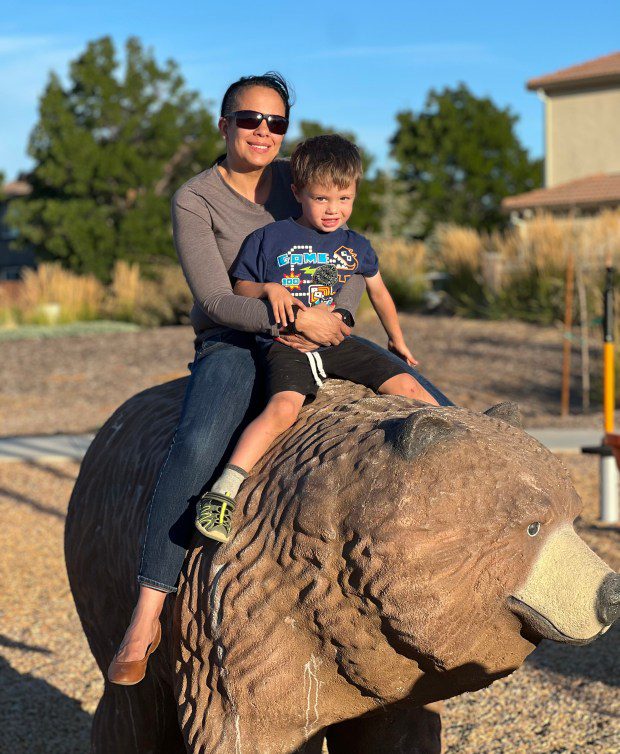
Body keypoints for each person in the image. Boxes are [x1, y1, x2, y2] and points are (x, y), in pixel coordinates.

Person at [108, 72, 452, 686]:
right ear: (224, 123)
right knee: (195, 442)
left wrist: (344, 318)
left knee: (433, 404)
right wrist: (288, 316)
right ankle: (148, 609)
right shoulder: (195, 198)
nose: (263, 132)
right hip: (237, 335)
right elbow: (215, 298)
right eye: (249, 120)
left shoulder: (303, 177)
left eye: (276, 123)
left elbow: (344, 249)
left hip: (324, 326)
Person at [195, 134, 438, 543]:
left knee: (410, 387)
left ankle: (463, 455)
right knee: (284, 408)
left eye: (344, 199)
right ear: (298, 193)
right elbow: (240, 288)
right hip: (285, 344)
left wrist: (397, 340)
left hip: (335, 341)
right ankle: (223, 493)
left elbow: (379, 293)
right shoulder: (269, 239)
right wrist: (270, 289)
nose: (333, 210)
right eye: (322, 199)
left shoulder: (355, 246)